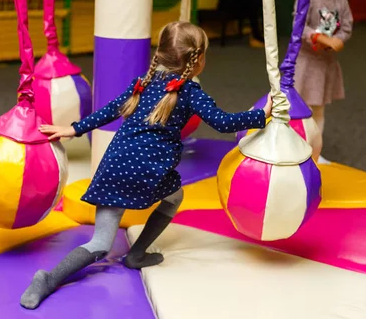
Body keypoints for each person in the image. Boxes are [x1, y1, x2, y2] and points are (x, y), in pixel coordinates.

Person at [20, 21, 273, 309]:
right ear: (198, 59)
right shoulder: (189, 91)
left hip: (113, 167)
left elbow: (111, 109)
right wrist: (261, 115)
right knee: (174, 196)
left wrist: (75, 128)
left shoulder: (143, 82)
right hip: (147, 173)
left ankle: (48, 279)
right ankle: (136, 254)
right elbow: (224, 123)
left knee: (100, 243)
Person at [292, 0, 353, 164]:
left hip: (325, 65)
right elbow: (299, 27)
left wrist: (339, 40)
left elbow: (346, 26)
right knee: (299, 107)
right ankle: (294, 148)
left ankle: (314, 151)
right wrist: (320, 38)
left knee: (319, 108)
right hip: (307, 64)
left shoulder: (341, 1)